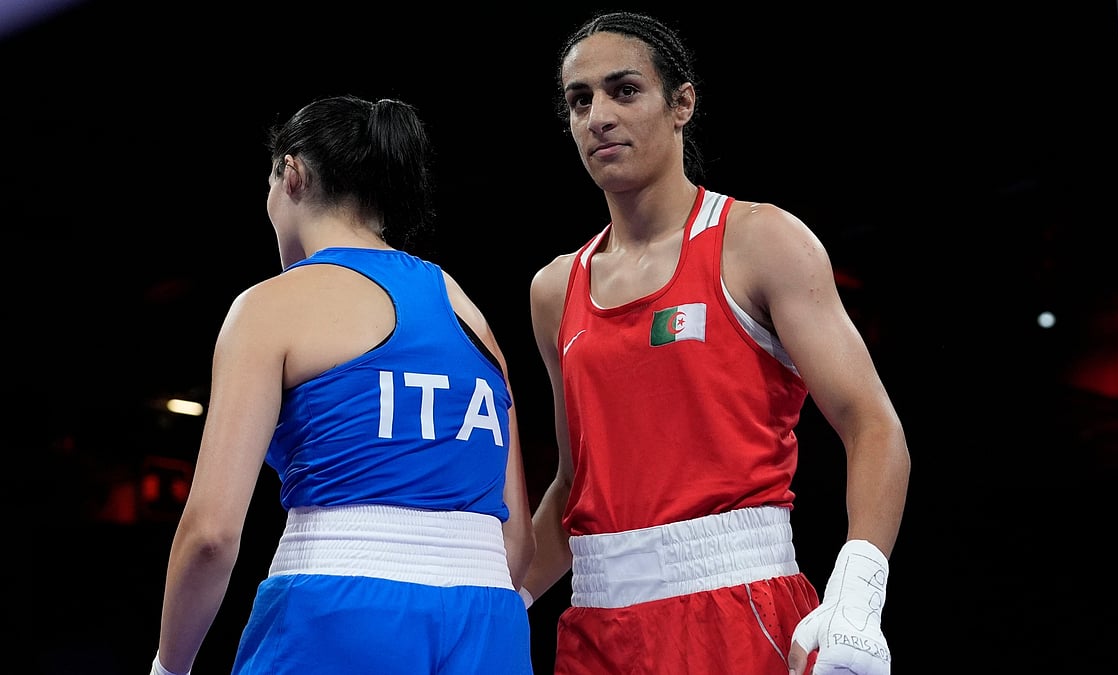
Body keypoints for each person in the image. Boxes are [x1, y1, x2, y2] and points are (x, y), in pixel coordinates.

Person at [520, 11, 910, 675]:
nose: (598, 116)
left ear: (682, 103)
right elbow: (575, 483)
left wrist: (859, 588)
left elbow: (873, 425)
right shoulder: (555, 288)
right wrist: (496, 597)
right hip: (595, 631)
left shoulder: (760, 242)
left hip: (738, 609)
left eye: (623, 90)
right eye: (579, 100)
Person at [149, 94, 536, 675]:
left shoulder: (271, 306)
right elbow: (518, 544)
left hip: (337, 609)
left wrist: (168, 667)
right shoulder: (469, 313)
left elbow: (211, 535)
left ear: (292, 174)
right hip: (489, 622)